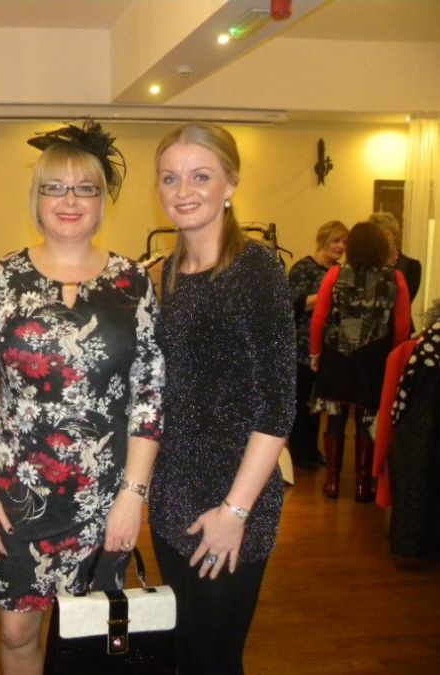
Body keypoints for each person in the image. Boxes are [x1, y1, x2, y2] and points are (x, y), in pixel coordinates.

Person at [0, 120, 164, 674]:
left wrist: (133, 496)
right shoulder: (1, 278)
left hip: (105, 497)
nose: (69, 201)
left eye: (84, 188)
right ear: (37, 198)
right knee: (15, 632)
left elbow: (149, 398)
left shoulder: (132, 282)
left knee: (93, 636)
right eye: (55, 187)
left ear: (103, 200)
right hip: (17, 495)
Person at [149, 122, 295, 674]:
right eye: (170, 178)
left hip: (233, 498)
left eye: (200, 176)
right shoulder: (169, 272)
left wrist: (235, 511)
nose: (183, 190)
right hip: (173, 496)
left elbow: (278, 407)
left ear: (230, 184)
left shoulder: (256, 271)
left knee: (214, 657)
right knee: (185, 651)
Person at [310, 221, 411, 501]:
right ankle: (362, 485)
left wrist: (316, 353)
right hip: (375, 358)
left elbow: (319, 318)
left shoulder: (335, 274)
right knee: (367, 420)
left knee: (336, 419)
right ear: (382, 247)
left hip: (337, 355)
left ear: (352, 247)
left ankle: (332, 482)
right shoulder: (396, 278)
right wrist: (395, 360)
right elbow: (402, 326)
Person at [286, 220, 349, 471]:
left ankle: (312, 450)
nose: (341, 246)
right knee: (301, 403)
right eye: (336, 240)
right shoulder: (304, 268)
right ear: (324, 239)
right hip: (303, 347)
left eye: (344, 242)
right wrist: (328, 292)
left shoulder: (340, 271)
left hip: (328, 348)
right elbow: (295, 303)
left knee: (317, 405)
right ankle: (300, 454)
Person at [369, 211, 421, 331]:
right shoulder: (367, 264)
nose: (382, 240)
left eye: (386, 235)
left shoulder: (412, 266)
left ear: (395, 236)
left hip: (397, 327)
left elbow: (406, 300)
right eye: (378, 236)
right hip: (370, 329)